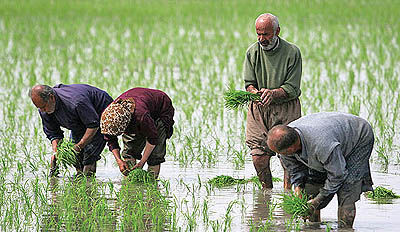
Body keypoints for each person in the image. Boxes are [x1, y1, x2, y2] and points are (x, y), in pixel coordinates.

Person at [266, 112, 374, 228]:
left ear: (291, 148)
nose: (280, 155)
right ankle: (313, 227)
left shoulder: (322, 145)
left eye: (281, 153)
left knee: (347, 190)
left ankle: (345, 229)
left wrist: (319, 199)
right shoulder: (286, 143)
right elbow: (294, 169)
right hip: (329, 138)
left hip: (358, 137)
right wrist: (299, 188)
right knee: (309, 191)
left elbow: (338, 175)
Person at [243, 13, 302, 189]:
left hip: (286, 108)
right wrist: (254, 92)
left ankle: (288, 196)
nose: (262, 39)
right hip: (259, 108)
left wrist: (274, 93)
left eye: (266, 34)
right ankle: (266, 194)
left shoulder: (292, 52)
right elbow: (249, 84)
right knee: (258, 156)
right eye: (258, 34)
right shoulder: (252, 52)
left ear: (277, 31)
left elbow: (292, 87)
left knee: (289, 156)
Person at [29, 84, 114, 176]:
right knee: (75, 157)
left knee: (89, 155)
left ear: (51, 98)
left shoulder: (76, 102)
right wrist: (56, 152)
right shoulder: (44, 109)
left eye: (43, 107)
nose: (42, 111)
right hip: (79, 120)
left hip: (100, 113)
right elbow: (53, 133)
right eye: (39, 108)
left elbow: (93, 125)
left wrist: (80, 145)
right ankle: (80, 179)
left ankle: (88, 182)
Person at [100, 87, 175, 178]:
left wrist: (142, 162)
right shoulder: (109, 117)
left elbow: (153, 138)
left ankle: (152, 184)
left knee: (155, 155)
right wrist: (119, 160)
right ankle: (130, 183)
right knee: (129, 151)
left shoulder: (141, 116)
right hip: (139, 106)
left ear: (126, 123)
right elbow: (110, 139)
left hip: (160, 109)